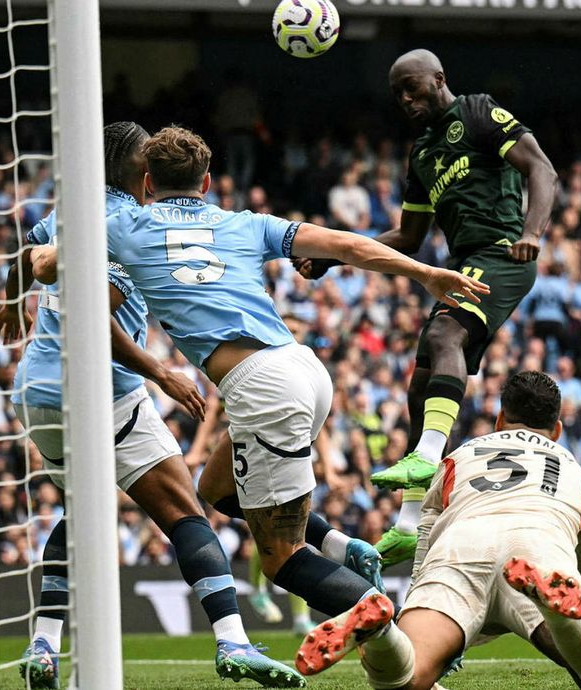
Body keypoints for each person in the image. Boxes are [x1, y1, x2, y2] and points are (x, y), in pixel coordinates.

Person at [102, 125, 487, 675]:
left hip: (261, 390)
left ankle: (396, 623)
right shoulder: (244, 223)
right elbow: (348, 245)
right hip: (305, 371)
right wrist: (423, 271)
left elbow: (51, 257)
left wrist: (32, 269)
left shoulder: (124, 224)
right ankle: (339, 546)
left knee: (280, 559)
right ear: (207, 182)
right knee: (214, 490)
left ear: (146, 182)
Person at [0, 122, 303, 688]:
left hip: (36, 392)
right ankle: (233, 641)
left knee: (83, 513)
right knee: (185, 510)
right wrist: (161, 372)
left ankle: (43, 643)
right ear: (144, 175)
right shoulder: (132, 225)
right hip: (100, 389)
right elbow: (93, 309)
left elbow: (30, 253)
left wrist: (15, 301)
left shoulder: (71, 211)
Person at [295, 49, 558, 565]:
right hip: (464, 265)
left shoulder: (480, 112)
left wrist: (532, 233)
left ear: (439, 79)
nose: (406, 100)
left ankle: (427, 458)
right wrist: (333, 257)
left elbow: (541, 168)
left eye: (412, 88)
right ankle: (410, 525)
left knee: (444, 338)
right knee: (421, 379)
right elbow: (409, 236)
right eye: (398, 94)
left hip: (503, 253)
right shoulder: (423, 154)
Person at [305, 371, 581, 690]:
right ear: (557, 429)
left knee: (407, 676)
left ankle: (381, 636)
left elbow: (426, 540)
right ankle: (561, 623)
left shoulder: (458, 457)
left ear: (500, 418)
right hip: (537, 552)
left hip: (461, 549)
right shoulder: (575, 471)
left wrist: (414, 610)